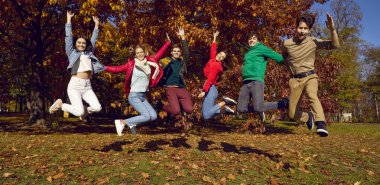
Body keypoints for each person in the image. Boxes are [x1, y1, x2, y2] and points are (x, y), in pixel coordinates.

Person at [282, 13, 340, 137]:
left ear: (309, 30)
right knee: (292, 114)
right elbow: (284, 56)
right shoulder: (287, 43)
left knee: (312, 95)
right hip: (295, 80)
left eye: (305, 29)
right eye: (300, 28)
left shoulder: (313, 41)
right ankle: (307, 117)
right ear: (296, 28)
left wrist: (332, 29)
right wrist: (290, 69)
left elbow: (335, 45)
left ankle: (321, 124)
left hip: (310, 76)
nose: (302, 31)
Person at [105, 37, 171, 136]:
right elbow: (117, 69)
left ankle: (131, 123)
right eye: (137, 53)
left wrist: (168, 43)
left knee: (153, 116)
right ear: (135, 55)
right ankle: (122, 122)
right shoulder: (132, 64)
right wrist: (104, 67)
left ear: (144, 53)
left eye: (141, 52)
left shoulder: (150, 62)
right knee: (145, 116)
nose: (139, 54)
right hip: (134, 95)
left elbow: (159, 54)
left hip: (142, 96)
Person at [49, 11, 104, 118]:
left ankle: (83, 110)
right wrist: (69, 19)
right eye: (79, 42)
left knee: (97, 108)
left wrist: (96, 25)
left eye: (83, 43)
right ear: (75, 44)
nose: (81, 44)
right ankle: (62, 105)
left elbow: (94, 40)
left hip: (87, 86)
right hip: (75, 85)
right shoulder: (72, 53)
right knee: (79, 113)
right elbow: (68, 37)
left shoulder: (89, 53)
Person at [237, 32, 289, 122]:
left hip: (256, 81)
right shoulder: (247, 53)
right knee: (241, 108)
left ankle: (284, 103)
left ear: (258, 40)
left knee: (259, 107)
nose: (251, 40)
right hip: (245, 82)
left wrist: (290, 62)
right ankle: (260, 110)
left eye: (254, 38)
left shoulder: (262, 48)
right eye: (250, 39)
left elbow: (278, 57)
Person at [198, 31, 237, 120]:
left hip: (210, 89)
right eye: (220, 54)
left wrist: (204, 91)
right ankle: (225, 110)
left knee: (206, 115)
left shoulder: (216, 66)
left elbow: (210, 79)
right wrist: (214, 38)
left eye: (222, 57)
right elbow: (213, 50)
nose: (219, 56)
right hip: (211, 90)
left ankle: (224, 102)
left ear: (222, 60)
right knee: (207, 113)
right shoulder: (213, 60)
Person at [159, 27, 193, 119]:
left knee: (189, 109)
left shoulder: (182, 61)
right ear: (171, 52)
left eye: (178, 51)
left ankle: (181, 106)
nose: (176, 53)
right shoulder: (166, 60)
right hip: (171, 89)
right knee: (175, 111)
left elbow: (187, 54)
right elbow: (158, 66)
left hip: (182, 88)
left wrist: (183, 37)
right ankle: (159, 106)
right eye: (174, 51)